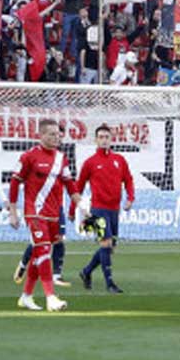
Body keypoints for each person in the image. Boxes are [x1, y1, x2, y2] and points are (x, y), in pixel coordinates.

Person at [8, 119, 75, 311]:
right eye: (52, 134)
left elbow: (70, 184)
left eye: (58, 134)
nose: (57, 137)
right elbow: (15, 182)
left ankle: (26, 296)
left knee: (40, 255)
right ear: (41, 135)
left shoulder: (61, 158)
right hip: (34, 212)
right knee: (44, 250)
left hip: (54, 213)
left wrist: (80, 205)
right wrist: (13, 211)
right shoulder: (29, 157)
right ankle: (51, 297)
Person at [75, 123, 134, 293]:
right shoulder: (90, 163)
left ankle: (86, 272)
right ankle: (110, 283)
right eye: (101, 137)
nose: (104, 140)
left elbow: (128, 180)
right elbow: (78, 187)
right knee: (106, 243)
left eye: (107, 137)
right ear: (95, 140)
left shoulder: (119, 160)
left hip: (114, 209)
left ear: (111, 139)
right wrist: (73, 209)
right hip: (98, 209)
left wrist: (130, 197)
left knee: (110, 247)